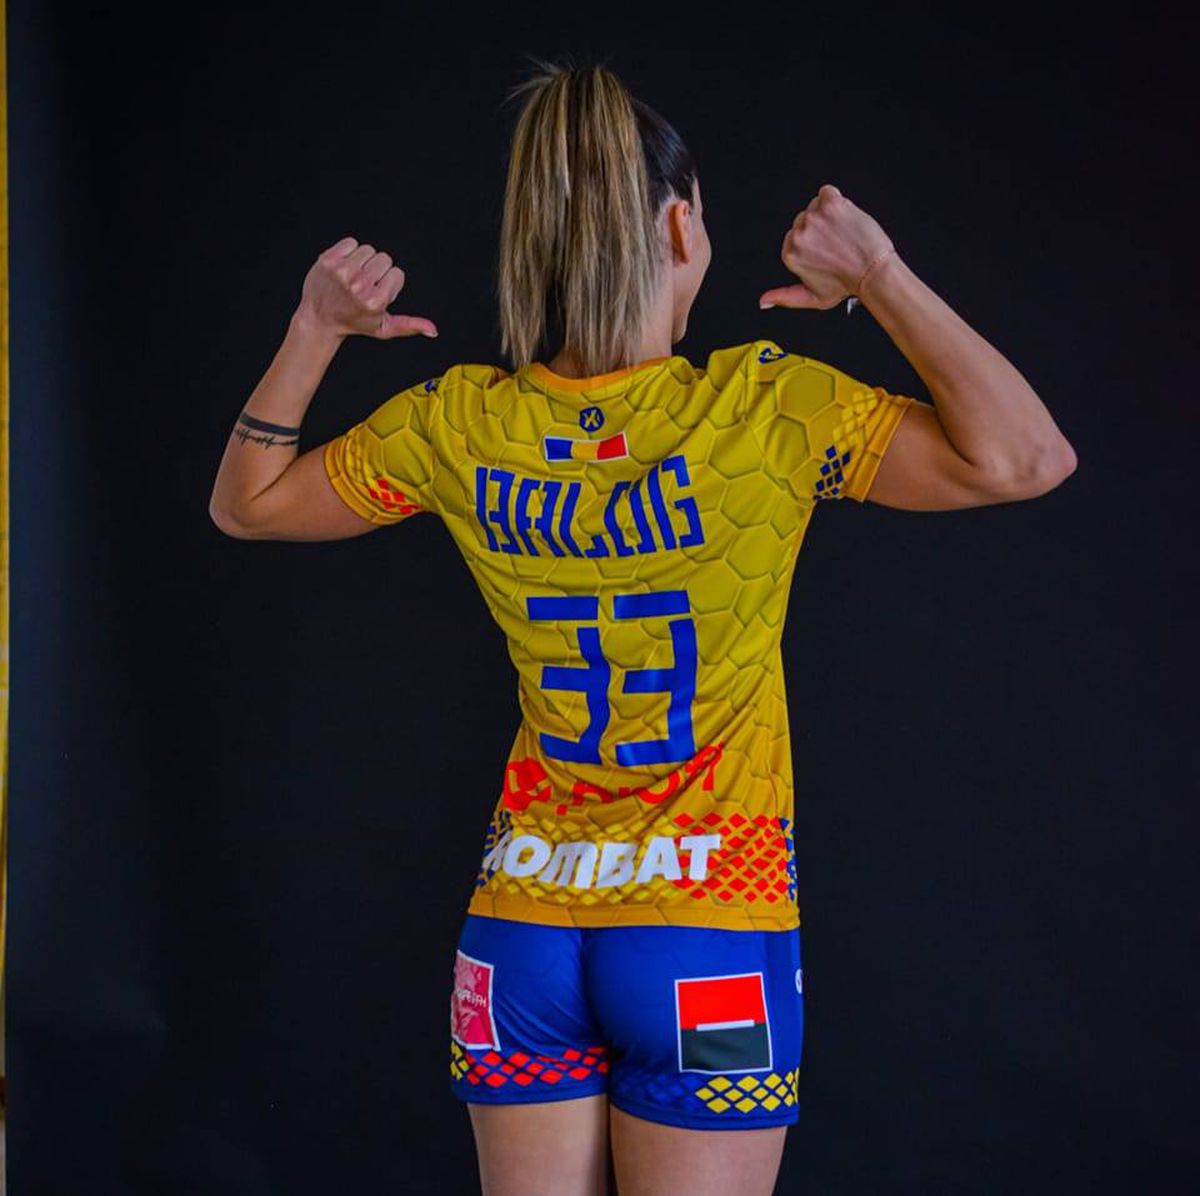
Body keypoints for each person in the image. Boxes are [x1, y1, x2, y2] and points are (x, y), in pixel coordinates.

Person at [208, 56, 1076, 1196]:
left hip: (520, 930)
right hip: (707, 928)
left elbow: (248, 505)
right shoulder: (764, 408)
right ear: (680, 225)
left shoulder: (457, 423)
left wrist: (317, 325)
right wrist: (879, 275)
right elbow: (1024, 458)